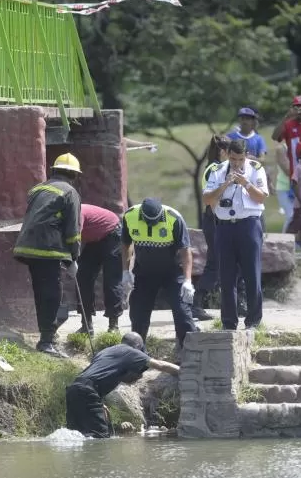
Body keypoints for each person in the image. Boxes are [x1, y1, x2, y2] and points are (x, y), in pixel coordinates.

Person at [13, 153, 83, 357]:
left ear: (54, 170)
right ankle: (47, 341)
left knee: (42, 292)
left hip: (27, 247)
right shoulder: (70, 192)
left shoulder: (37, 188)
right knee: (52, 294)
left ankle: (46, 336)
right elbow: (73, 230)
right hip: (48, 249)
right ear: (74, 174)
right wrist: (74, 257)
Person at [203, 138, 270, 330]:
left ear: (246, 156)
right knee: (226, 276)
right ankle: (229, 322)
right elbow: (207, 199)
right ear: (227, 155)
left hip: (249, 225)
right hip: (224, 226)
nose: (237, 163)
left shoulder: (256, 168)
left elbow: (261, 197)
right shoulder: (217, 170)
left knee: (252, 274)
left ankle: (253, 321)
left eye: (240, 159)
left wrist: (246, 183)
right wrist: (225, 184)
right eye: (233, 159)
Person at [64, 332, 179, 438]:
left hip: (73, 390)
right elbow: (160, 365)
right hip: (88, 391)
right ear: (138, 345)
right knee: (100, 438)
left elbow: (96, 375)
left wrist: (100, 401)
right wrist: (186, 371)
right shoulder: (131, 352)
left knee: (76, 435)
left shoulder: (105, 351)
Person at [121, 198, 197, 350]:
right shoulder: (130, 216)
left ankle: (188, 350)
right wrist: (125, 271)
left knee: (182, 312)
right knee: (138, 314)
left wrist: (188, 280)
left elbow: (185, 251)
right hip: (144, 273)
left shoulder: (174, 218)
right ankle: (138, 354)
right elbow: (126, 244)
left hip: (172, 273)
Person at [195, 135, 231, 322]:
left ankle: (234, 302)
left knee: (223, 262)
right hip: (214, 219)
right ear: (223, 151)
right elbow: (210, 198)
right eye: (230, 151)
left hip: (217, 219)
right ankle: (197, 303)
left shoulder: (216, 167)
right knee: (215, 263)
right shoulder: (215, 169)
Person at [75, 203, 125, 335]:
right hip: (94, 239)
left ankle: (113, 326)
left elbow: (75, 239)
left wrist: (71, 258)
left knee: (111, 280)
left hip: (113, 233)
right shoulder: (60, 216)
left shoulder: (76, 213)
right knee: (82, 277)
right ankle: (86, 326)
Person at [273, 141, 294, 233]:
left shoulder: (299, 145)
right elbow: (287, 170)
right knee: (291, 216)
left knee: (298, 217)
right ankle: (284, 240)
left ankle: (295, 241)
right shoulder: (281, 148)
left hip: (298, 187)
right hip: (284, 187)